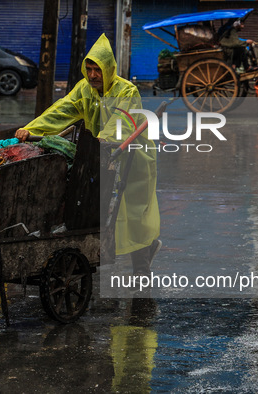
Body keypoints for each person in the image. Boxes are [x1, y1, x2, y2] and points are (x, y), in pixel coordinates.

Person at [15, 33, 161, 277]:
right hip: (99, 157)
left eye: (98, 70)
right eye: (89, 69)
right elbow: (60, 111)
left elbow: (121, 123)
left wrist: (101, 140)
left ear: (110, 70)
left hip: (133, 160)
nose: (93, 75)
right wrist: (31, 129)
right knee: (97, 209)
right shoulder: (85, 88)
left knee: (134, 215)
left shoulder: (127, 91)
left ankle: (142, 269)